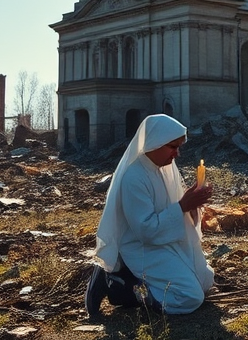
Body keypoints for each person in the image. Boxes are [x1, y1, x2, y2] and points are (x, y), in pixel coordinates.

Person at [86, 114, 215, 317]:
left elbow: (175, 209)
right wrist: (182, 205)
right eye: (173, 147)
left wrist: (192, 205)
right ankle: (123, 287)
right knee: (190, 297)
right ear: (155, 143)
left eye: (178, 147)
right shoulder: (133, 177)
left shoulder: (165, 168)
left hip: (166, 237)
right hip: (142, 245)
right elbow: (146, 229)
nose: (177, 154)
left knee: (206, 280)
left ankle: (133, 281)